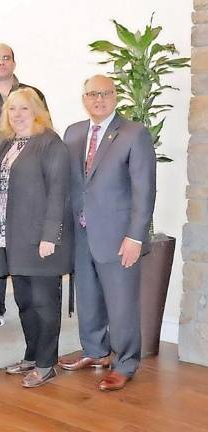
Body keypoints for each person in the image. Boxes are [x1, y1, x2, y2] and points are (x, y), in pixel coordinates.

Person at [59, 75, 156, 391]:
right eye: (92, 94)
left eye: (105, 93)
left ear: (116, 96)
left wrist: (136, 236)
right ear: (83, 97)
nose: (98, 99)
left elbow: (144, 191)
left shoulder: (134, 134)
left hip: (119, 237)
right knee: (87, 298)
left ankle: (125, 363)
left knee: (122, 303)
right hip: (82, 233)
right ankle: (95, 351)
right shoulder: (73, 133)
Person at [0, 88, 72, 388]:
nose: (17, 114)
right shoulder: (7, 145)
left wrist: (50, 236)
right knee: (25, 301)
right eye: (12, 109)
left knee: (44, 302)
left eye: (24, 108)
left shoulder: (50, 143)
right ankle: (31, 354)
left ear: (37, 110)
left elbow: (58, 192)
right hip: (11, 238)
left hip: (40, 240)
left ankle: (47, 362)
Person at [0, 42, 48, 320]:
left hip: (27, 185)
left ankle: (32, 307)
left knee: (22, 242)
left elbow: (45, 130)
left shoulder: (32, 94)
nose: (1, 62)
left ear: (14, 62)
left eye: (6, 58)